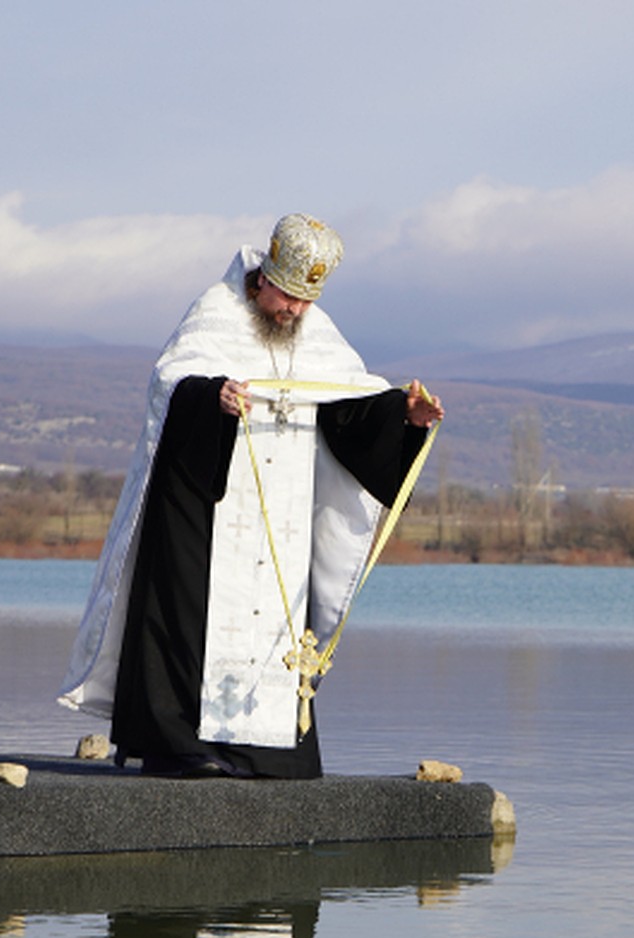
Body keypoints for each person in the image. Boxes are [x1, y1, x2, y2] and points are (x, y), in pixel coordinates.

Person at [58, 213, 443, 778]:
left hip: (281, 514)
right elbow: (170, 383)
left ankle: (267, 749)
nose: (292, 311)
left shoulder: (316, 331)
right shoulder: (215, 313)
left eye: (304, 302)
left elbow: (348, 402)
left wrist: (402, 418)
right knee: (194, 610)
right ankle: (177, 744)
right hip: (208, 501)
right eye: (285, 297)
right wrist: (213, 396)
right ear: (263, 277)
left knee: (278, 621)